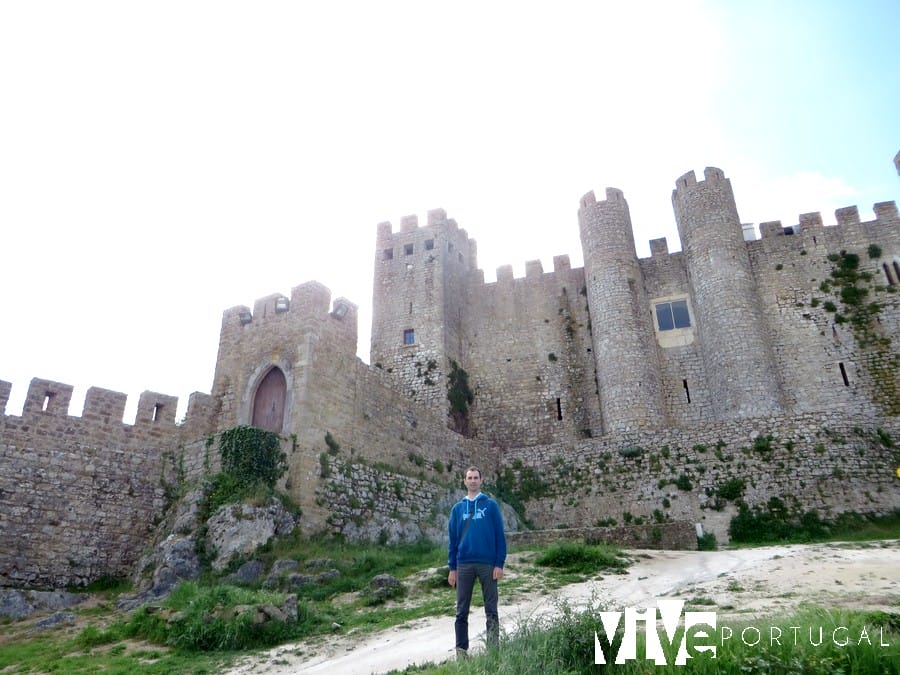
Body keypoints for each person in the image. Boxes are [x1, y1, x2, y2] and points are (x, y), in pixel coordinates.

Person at [447, 465, 507, 659]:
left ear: (481, 481)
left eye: (476, 478)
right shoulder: (457, 509)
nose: (472, 480)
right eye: (469, 478)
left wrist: (499, 563)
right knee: (461, 611)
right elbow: (453, 541)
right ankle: (461, 653)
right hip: (463, 564)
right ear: (464, 481)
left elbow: (500, 536)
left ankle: (493, 650)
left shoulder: (490, 506)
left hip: (487, 564)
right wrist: (452, 568)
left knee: (491, 609)